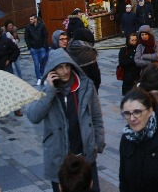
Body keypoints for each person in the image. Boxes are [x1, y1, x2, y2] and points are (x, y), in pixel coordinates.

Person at [25, 48, 105, 192]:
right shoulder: (45, 89)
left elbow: (96, 116)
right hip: (59, 159)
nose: (65, 71)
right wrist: (49, 90)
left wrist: (98, 143)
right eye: (60, 67)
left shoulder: (85, 86)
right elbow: (34, 116)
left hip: (84, 156)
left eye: (67, 66)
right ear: (52, 70)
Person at [25, 14, 50, 86]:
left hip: (41, 47)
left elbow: (45, 35)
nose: (30, 21)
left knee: (43, 63)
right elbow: (26, 37)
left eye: (32, 19)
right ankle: (39, 78)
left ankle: (43, 77)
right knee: (36, 64)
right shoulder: (28, 27)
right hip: (34, 48)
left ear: (35, 19)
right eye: (30, 19)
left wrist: (44, 45)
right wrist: (30, 47)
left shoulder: (42, 25)